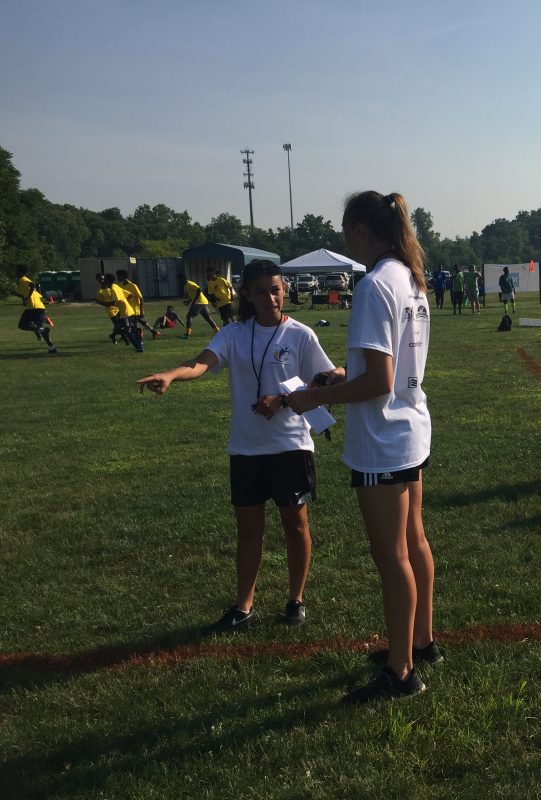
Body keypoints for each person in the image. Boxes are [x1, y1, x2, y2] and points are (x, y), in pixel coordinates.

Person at [288, 190, 437, 705]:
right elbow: (384, 372)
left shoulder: (376, 284)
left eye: (344, 229)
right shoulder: (409, 277)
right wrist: (338, 377)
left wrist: (315, 396)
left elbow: (378, 380)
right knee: (414, 541)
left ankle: (401, 672)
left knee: (392, 554)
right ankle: (421, 642)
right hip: (410, 427)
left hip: (383, 438)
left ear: (359, 229)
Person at [137, 259, 338, 633]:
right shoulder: (233, 333)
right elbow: (200, 364)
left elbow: (326, 379)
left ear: (284, 291)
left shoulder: (301, 335)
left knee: (295, 524)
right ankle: (244, 605)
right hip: (246, 448)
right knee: (248, 530)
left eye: (276, 289)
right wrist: (171, 375)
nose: (271, 297)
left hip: (291, 445)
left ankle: (296, 599)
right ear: (246, 294)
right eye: (261, 291)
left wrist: (281, 397)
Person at [12, 266, 58, 354]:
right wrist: (17, 294)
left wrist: (28, 297)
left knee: (22, 325)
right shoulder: (22, 281)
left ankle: (43, 329)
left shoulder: (23, 279)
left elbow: (32, 285)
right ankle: (52, 348)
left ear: (20, 272)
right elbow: (29, 293)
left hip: (33, 308)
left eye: (16, 271)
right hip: (39, 307)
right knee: (40, 329)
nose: (15, 272)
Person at [96, 272, 142, 351]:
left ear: (107, 281)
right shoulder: (116, 286)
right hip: (128, 310)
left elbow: (114, 302)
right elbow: (130, 295)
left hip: (125, 312)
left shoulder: (113, 289)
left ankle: (139, 347)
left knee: (127, 331)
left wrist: (101, 302)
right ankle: (139, 345)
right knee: (128, 329)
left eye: (104, 279)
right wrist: (124, 302)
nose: (103, 281)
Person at [117, 269, 159, 340]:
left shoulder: (133, 285)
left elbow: (141, 298)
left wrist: (141, 310)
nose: (117, 278)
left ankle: (135, 336)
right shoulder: (120, 286)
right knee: (139, 321)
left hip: (134, 309)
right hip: (126, 308)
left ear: (123, 276)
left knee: (132, 324)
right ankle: (153, 332)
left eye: (118, 276)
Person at [178, 272, 220, 338]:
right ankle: (218, 331)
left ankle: (187, 334)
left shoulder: (189, 284)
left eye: (179, 281)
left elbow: (199, 290)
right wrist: (189, 301)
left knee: (189, 316)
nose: (179, 283)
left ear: (182, 279)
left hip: (199, 303)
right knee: (208, 318)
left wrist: (194, 301)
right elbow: (194, 294)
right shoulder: (187, 285)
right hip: (204, 302)